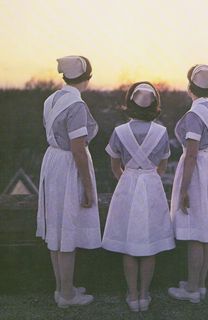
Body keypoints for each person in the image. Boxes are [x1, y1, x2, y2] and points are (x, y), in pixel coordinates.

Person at [102, 82, 175, 312]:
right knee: (149, 242)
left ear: (130, 102)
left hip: (128, 183)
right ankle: (145, 294)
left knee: (129, 243)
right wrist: (149, 179)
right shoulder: (161, 132)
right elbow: (163, 165)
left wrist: (129, 179)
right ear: (155, 104)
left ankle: (132, 296)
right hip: (151, 184)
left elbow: (115, 167)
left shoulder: (119, 131)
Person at [36, 55, 101, 308]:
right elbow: (78, 149)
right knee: (67, 229)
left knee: (57, 228)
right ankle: (67, 295)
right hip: (67, 166)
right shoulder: (77, 106)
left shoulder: (51, 99)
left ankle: (62, 287)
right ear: (88, 78)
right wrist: (88, 187)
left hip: (51, 161)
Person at [168, 64, 208, 303]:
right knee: (206, 231)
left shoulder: (193, 115)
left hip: (197, 169)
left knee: (195, 232)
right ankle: (199, 285)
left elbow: (190, 154)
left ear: (190, 87)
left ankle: (190, 290)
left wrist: (184, 188)